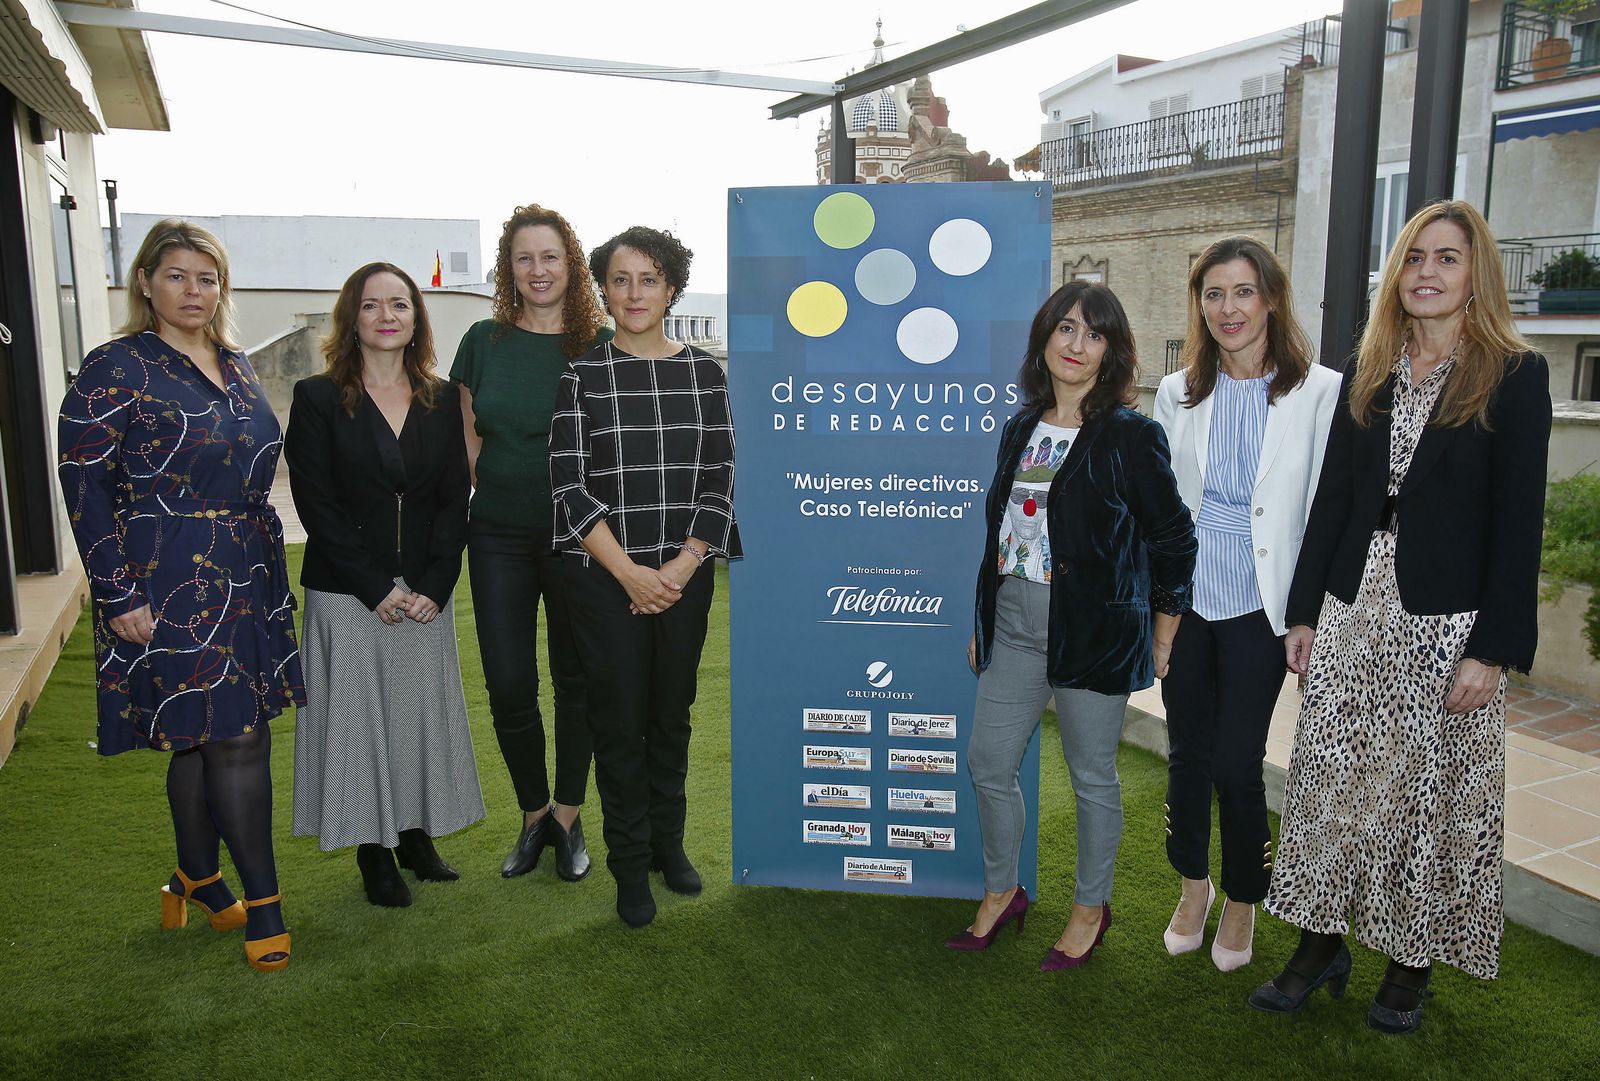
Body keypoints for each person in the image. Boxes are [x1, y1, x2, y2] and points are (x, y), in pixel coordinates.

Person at [1252, 200, 1552, 1035]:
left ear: (1475, 273)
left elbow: (1518, 518)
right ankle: (1319, 945)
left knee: (1424, 796)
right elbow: (1335, 498)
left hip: (1444, 621)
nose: (1427, 271)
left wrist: (1493, 648)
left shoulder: (1515, 375)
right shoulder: (1372, 368)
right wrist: (1306, 608)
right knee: (1331, 783)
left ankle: (1409, 964)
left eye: (1447, 258)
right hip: (1353, 609)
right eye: (1414, 256)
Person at [57, 219, 303, 971]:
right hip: (164, 578)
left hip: (246, 568)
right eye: (176, 276)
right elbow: (83, 483)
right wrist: (115, 588)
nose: (193, 291)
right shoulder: (115, 367)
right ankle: (264, 901)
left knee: (207, 730)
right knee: (236, 736)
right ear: (144, 282)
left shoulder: (236, 365)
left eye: (206, 278)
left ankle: (195, 876)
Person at [949, 281, 1196, 969]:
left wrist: (1164, 631)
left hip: (1093, 630)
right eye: (1065, 328)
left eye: (1094, 334)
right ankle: (1004, 890)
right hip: (1013, 622)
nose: (1076, 345)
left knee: (1091, 774)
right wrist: (986, 617)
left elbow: (1175, 540)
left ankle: (1091, 905)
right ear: (1045, 339)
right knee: (988, 760)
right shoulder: (1020, 426)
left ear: (1111, 351)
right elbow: (1000, 532)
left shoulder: (1131, 435)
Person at [1152, 237, 1340, 971]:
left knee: (1238, 759)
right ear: (1200, 305)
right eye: (1213, 294)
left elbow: (1327, 511)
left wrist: (1308, 614)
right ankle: (1194, 886)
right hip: (1188, 602)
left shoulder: (1318, 391)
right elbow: (1164, 512)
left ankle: (1242, 898)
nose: (1228, 308)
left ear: (1270, 298)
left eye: (1242, 292)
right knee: (1188, 754)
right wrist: (1158, 612)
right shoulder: (1178, 391)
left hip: (1263, 607)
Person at [550, 226, 740, 928]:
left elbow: (720, 481)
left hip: (683, 579)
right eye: (620, 279)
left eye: (650, 279)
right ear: (604, 288)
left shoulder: (706, 375)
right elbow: (568, 489)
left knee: (671, 716)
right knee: (618, 724)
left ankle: (668, 844)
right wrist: (630, 573)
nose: (634, 293)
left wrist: (683, 565)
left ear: (673, 289)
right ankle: (630, 864)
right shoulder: (582, 376)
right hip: (605, 581)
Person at [286, 262, 483, 908]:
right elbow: (316, 505)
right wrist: (377, 587)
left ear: (416, 318)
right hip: (347, 593)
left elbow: (456, 499)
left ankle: (415, 835)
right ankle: (373, 850)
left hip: (424, 593)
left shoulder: (441, 395)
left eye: (400, 304)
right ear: (353, 318)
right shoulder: (318, 398)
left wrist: (434, 583)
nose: (388, 315)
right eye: (372, 305)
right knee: (360, 720)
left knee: (414, 717)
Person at [452, 205, 613, 882]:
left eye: (550, 257)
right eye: (524, 258)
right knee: (510, 681)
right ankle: (532, 815)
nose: (538, 270)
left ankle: (570, 820)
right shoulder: (482, 342)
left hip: (579, 540)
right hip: (498, 537)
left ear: (570, 265)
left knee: (577, 679)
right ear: (507, 269)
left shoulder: (600, 343)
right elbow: (469, 438)